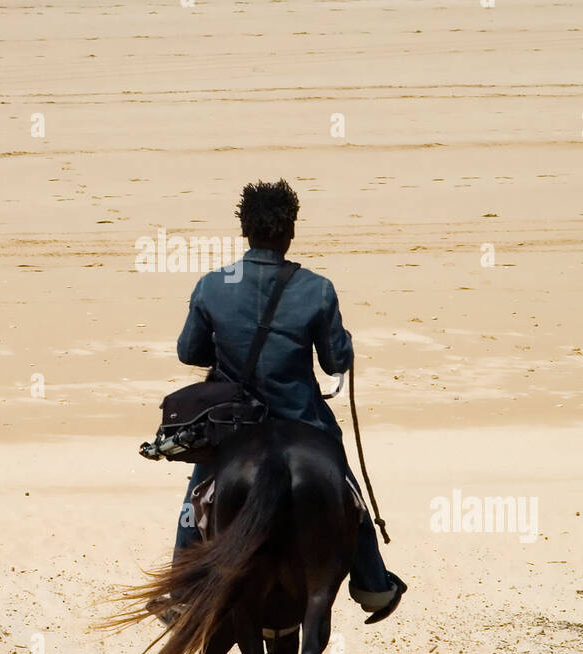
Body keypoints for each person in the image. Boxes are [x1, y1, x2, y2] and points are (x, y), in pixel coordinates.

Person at [166, 178, 405, 623]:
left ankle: (180, 592)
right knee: (347, 493)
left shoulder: (213, 285)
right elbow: (336, 360)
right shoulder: (317, 288)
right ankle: (372, 585)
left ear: (245, 229)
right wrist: (345, 345)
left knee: (197, 496)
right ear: (290, 230)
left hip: (234, 424)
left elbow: (188, 352)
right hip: (302, 418)